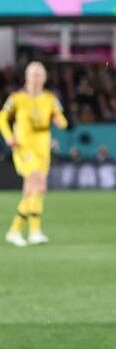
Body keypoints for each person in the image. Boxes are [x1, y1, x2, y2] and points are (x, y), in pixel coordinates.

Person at [1, 61, 68, 247]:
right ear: (27, 77)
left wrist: (60, 121)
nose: (37, 78)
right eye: (34, 74)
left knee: (36, 189)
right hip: (24, 147)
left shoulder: (50, 98)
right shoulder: (16, 98)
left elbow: (62, 119)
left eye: (40, 74)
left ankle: (26, 231)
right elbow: (2, 118)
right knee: (35, 183)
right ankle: (23, 231)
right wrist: (8, 137)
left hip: (42, 147)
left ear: (45, 78)